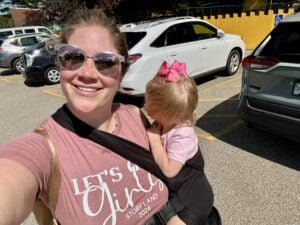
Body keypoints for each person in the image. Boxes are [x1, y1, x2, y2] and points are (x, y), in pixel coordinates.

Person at [0, 9, 169, 225]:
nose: (87, 74)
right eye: (72, 57)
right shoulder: (44, 149)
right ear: (59, 63)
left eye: (106, 62)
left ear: (122, 72)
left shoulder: (136, 117)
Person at [145, 61, 214, 225]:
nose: (146, 107)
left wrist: (154, 140)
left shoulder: (183, 135)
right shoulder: (166, 122)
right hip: (179, 193)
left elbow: (169, 170)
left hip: (195, 198)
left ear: (170, 114)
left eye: (151, 106)